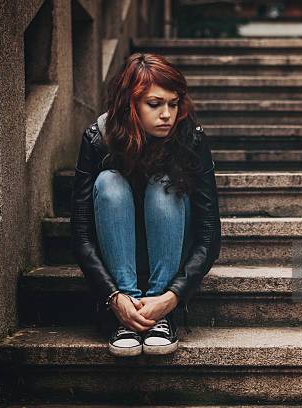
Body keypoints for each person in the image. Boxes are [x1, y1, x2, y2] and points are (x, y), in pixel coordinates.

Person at [70, 53, 221, 357]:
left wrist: (173, 295)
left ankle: (158, 315)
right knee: (109, 182)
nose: (167, 114)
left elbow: (208, 235)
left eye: (173, 104)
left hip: (170, 256)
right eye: (155, 104)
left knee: (164, 185)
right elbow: (82, 233)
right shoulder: (98, 139)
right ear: (131, 105)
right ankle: (127, 314)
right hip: (118, 256)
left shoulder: (190, 139)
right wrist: (114, 296)